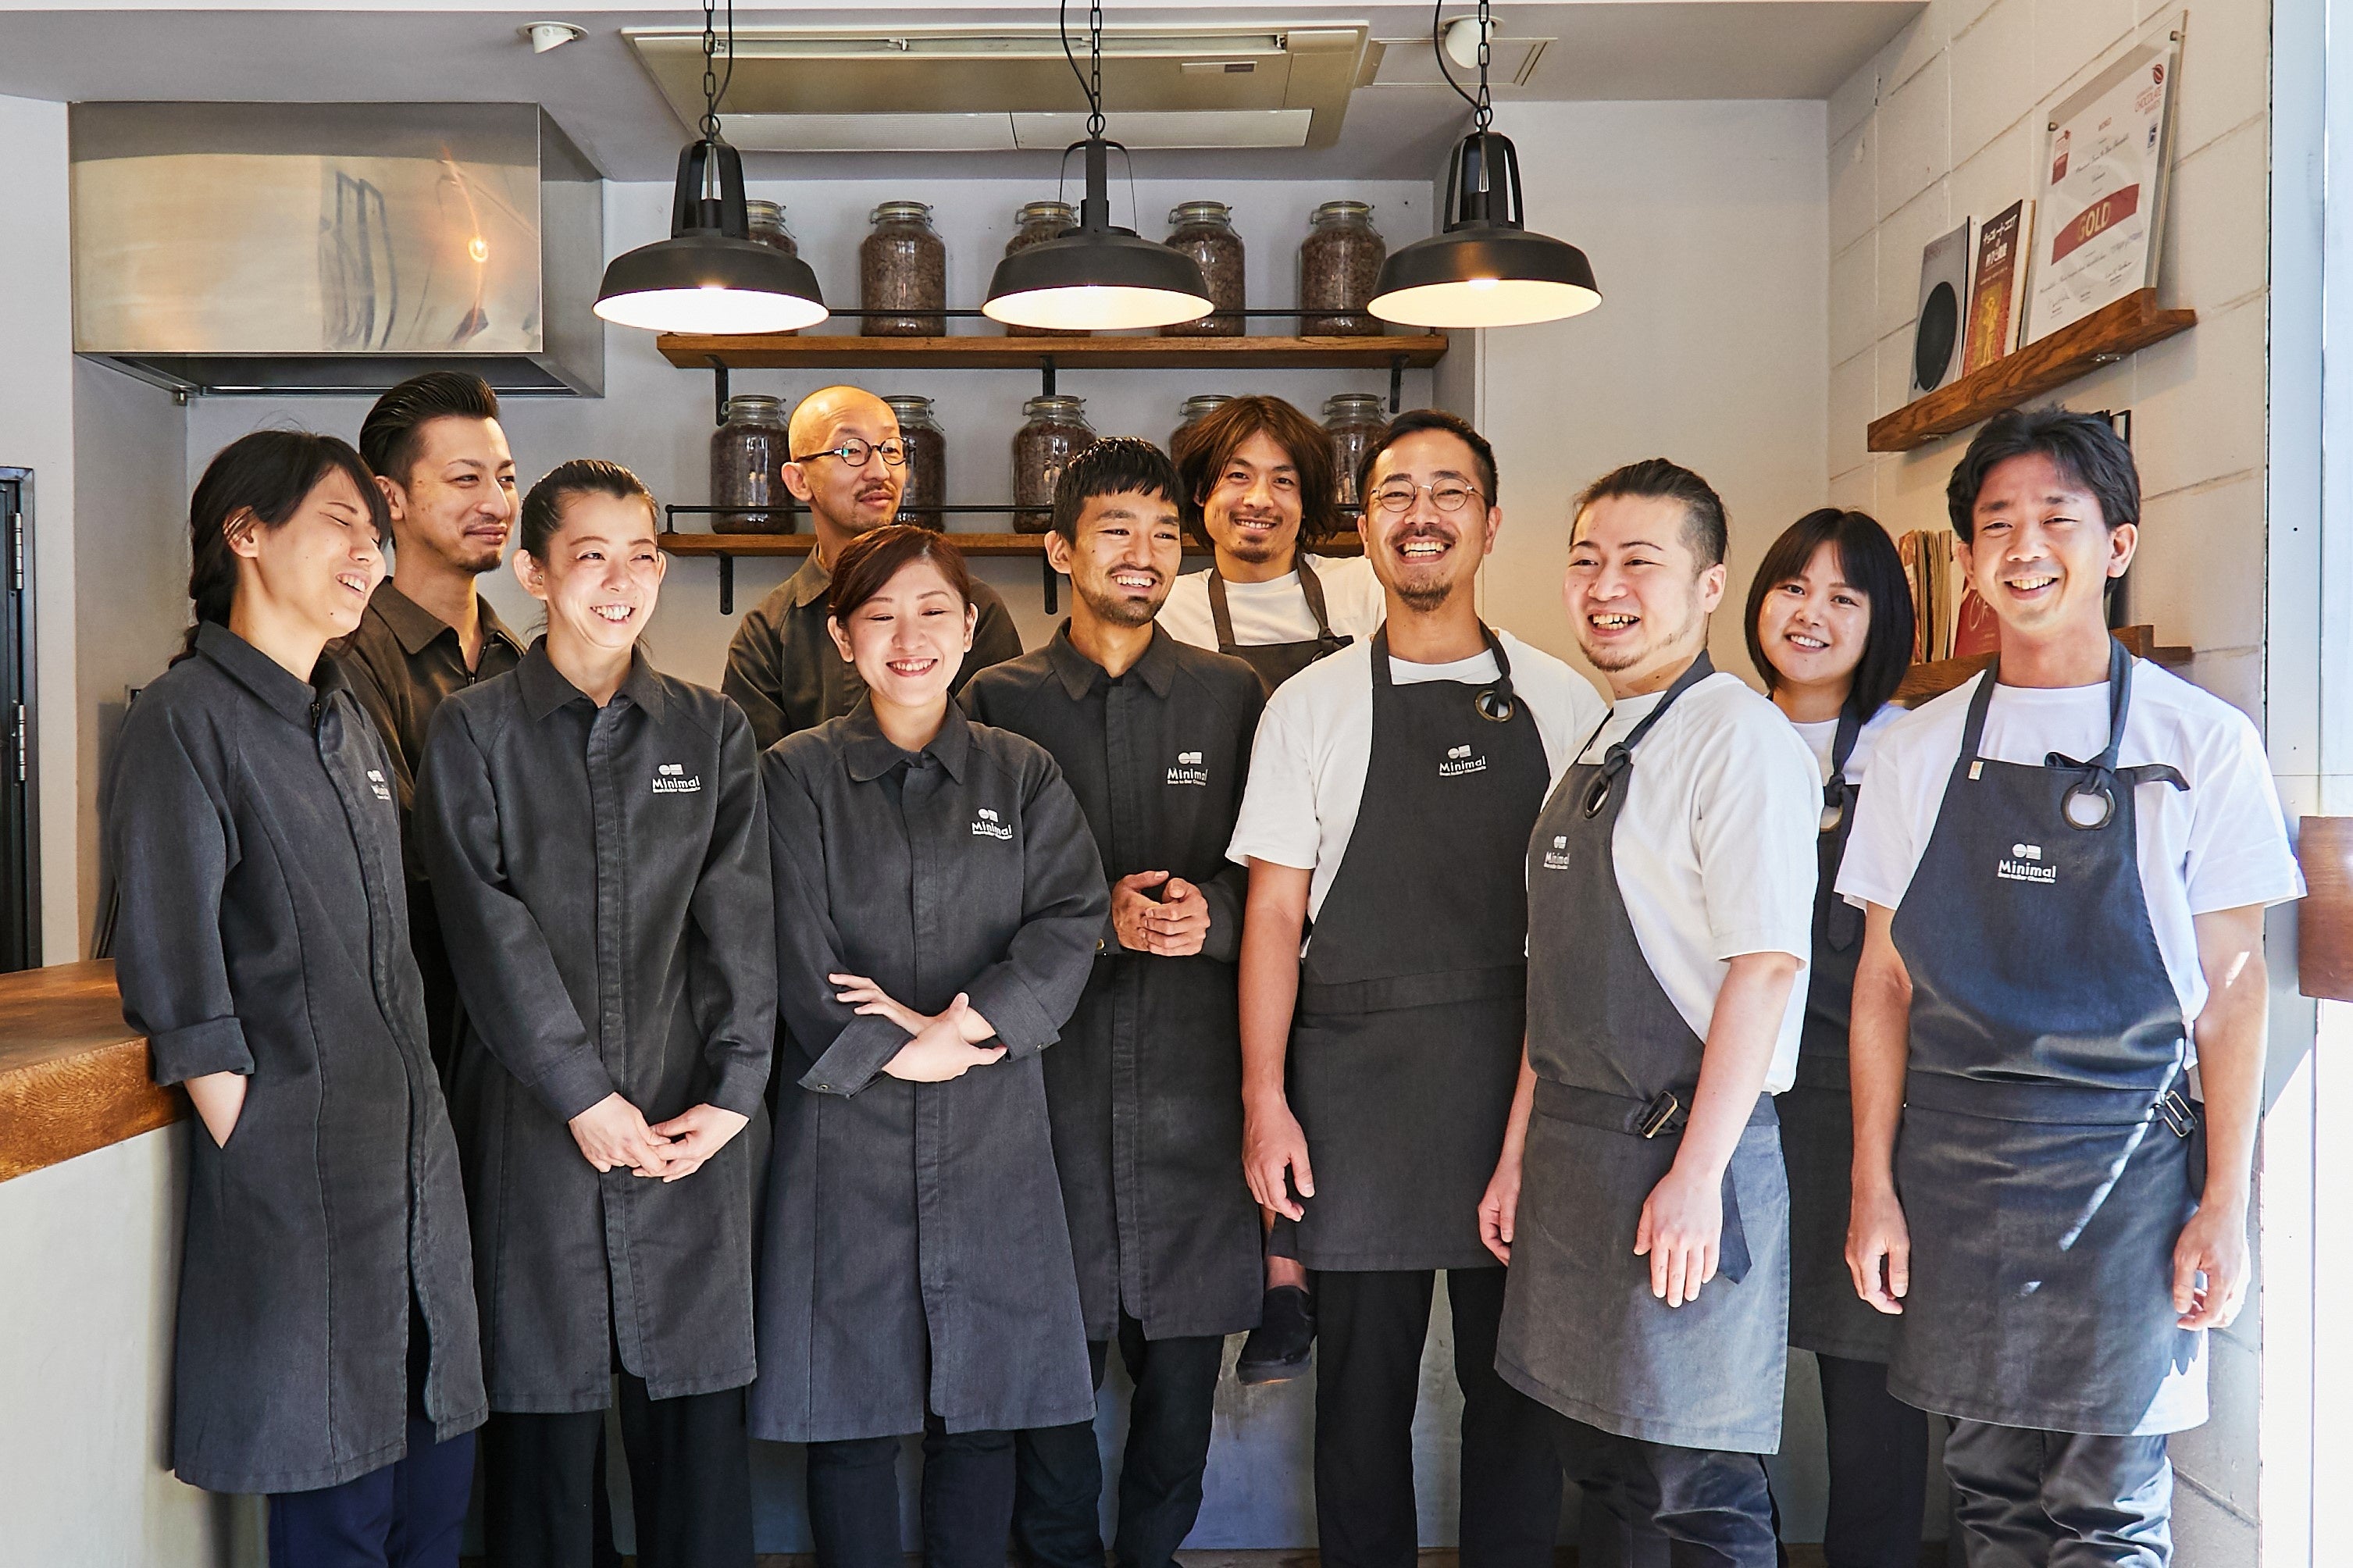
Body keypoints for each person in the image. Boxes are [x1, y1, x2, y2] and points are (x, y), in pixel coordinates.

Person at [1840, 409, 2302, 1566]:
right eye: (1997, 524)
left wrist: (2223, 1203)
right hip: (1953, 1168)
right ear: (1967, 560)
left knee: (2108, 1509)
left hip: (2128, 1169)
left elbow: (2233, 989)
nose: (2025, 546)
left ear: (2117, 545)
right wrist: (1871, 1185)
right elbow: (1884, 983)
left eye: (2058, 517)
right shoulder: (1913, 749)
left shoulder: (2200, 741)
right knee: (1987, 1492)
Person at [108, 429, 485, 1567]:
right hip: (302, 1188)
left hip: (409, 1176)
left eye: (376, 534)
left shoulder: (344, 714)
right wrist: (261, 1132)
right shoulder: (185, 718)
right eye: (342, 525)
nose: (370, 555)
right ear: (246, 532)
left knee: (432, 1504)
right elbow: (171, 965)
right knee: (337, 1508)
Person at [1231, 409, 1597, 1568]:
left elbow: (1588, 925)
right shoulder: (1309, 705)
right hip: (1353, 1098)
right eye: (1394, 493)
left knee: (1518, 1397)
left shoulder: (1563, 701)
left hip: (1518, 1089)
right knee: (1358, 1405)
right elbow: (1272, 916)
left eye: (1448, 492)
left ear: (1491, 524)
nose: (1420, 515)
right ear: (1364, 527)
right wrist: (1264, 1099)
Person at [415, 460, 776, 1568]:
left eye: (642, 556)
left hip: (687, 1124)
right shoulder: (473, 732)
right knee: (545, 1434)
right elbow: (487, 931)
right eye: (590, 557)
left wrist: (733, 1096)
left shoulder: (712, 731)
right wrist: (579, 1092)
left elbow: (740, 925)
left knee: (696, 1439)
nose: (621, 582)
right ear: (533, 573)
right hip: (533, 1125)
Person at [1482, 458, 1819, 1568]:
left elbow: (1764, 970)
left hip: (1678, 1153)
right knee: (1606, 1468)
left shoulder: (1739, 738)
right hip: (1577, 1160)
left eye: (1639, 561)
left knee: (1694, 1486)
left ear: (1710, 584)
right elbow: (1552, 976)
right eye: (1585, 560)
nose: (1604, 586)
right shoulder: (1604, 738)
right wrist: (1517, 1156)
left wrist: (1696, 1176)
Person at [754, 526, 1109, 1568]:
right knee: (850, 1416)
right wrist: (895, 1049)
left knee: (982, 1411)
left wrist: (954, 1027)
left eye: (933, 613)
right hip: (841, 1138)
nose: (908, 639)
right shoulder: (794, 776)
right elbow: (791, 944)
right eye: (880, 616)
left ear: (969, 629)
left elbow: (1069, 917)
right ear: (842, 637)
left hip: (992, 1125)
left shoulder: (1021, 773)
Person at [962, 440, 1265, 1568]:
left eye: (1164, 534)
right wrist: (1095, 923)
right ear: (1059, 550)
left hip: (1196, 1096)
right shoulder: (997, 700)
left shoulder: (1234, 695)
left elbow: (1283, 869)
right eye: (1115, 531)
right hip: (1049, 1100)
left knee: (1181, 1401)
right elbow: (963, 891)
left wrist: (1212, 916)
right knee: (1050, 1386)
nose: (1144, 553)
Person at [1160, 394, 1388, 1381]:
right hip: (1219, 863)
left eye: (1284, 480)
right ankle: (1275, 1276)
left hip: (1341, 870)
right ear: (1201, 498)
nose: (1259, 498)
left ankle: (1307, 1267)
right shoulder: (1170, 602)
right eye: (1236, 478)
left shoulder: (1360, 591)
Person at [1742, 508, 1928, 1564]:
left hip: (1866, 1105)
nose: (1809, 614)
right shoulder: (1718, 731)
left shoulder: (1915, 750)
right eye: (1791, 588)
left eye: (1842, 597)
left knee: (1870, 1398)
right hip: (1726, 1102)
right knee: (1716, 1401)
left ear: (1880, 621)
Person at [340, 371, 527, 1075]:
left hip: (518, 1027)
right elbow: (401, 849)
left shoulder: (522, 661)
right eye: (464, 479)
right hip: (412, 1025)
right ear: (390, 498)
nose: (496, 503)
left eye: (505, 479)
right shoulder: (349, 657)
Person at [723, 385, 1024, 750]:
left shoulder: (972, 605)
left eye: (892, 450)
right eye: (851, 450)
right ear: (799, 481)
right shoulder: (769, 631)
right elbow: (758, 774)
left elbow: (1001, 756)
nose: (880, 471)